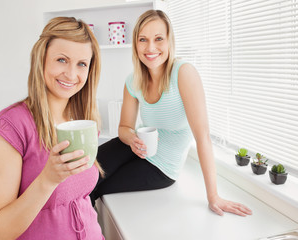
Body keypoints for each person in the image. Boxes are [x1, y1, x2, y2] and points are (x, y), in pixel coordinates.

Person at [90, 10, 252, 217]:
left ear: (169, 42)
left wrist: (214, 196)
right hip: (137, 146)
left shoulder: (183, 73)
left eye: (158, 39)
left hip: (162, 166)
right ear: (135, 44)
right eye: (143, 39)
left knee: (95, 188)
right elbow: (124, 128)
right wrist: (131, 138)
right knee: (85, 173)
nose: (150, 48)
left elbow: (202, 138)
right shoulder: (133, 80)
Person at [0, 17, 104, 239]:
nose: (71, 74)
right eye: (61, 60)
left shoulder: (81, 122)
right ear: (42, 59)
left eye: (81, 64)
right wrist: (47, 180)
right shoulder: (12, 128)